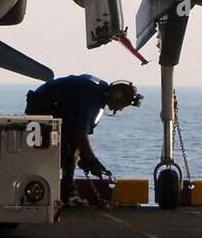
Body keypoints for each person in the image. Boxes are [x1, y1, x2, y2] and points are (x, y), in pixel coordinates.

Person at [24, 75, 142, 206]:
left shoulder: (98, 92)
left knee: (70, 150)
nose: (119, 109)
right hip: (43, 107)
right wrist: (91, 160)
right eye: (122, 104)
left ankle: (64, 193)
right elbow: (80, 133)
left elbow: (78, 132)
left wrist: (86, 156)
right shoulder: (92, 97)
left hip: (54, 109)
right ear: (118, 95)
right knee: (59, 152)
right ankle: (43, 191)